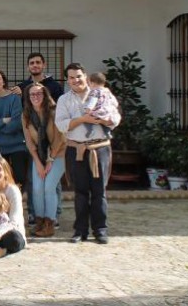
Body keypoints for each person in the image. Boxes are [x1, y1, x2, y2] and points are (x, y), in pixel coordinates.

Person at [55, 63, 120, 245]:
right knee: (80, 192)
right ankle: (80, 230)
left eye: (78, 76)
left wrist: (104, 119)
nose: (76, 80)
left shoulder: (103, 94)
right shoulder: (64, 100)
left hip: (100, 148)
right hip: (76, 150)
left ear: (86, 76)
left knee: (99, 191)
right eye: (71, 77)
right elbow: (61, 124)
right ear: (67, 80)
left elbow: (116, 118)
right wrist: (83, 119)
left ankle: (100, 230)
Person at [22, 83, 66, 238]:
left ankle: (49, 223)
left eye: (39, 93)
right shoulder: (26, 114)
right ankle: (39, 221)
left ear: (45, 95)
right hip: (39, 156)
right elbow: (29, 141)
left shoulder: (54, 112)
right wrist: (38, 162)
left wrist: (50, 159)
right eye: (32, 94)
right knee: (37, 189)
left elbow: (60, 138)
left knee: (48, 187)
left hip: (59, 154)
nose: (35, 97)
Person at [83, 72, 117, 139]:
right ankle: (107, 132)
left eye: (89, 83)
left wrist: (88, 109)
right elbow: (114, 102)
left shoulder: (95, 91)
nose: (89, 85)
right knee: (104, 124)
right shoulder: (107, 91)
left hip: (98, 111)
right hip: (108, 112)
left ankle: (90, 130)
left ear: (92, 83)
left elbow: (92, 101)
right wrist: (113, 108)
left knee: (85, 119)